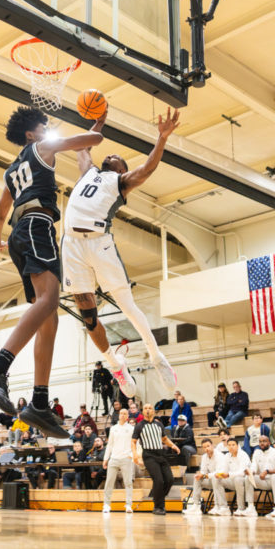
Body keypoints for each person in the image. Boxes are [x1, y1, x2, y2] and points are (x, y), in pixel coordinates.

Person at [0, 107, 110, 439]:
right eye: (43, 126)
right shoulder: (42, 148)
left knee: (50, 316)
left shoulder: (12, 171)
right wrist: (97, 127)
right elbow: (94, 140)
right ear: (32, 135)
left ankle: (40, 402)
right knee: (49, 301)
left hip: (21, 231)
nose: (48, 130)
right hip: (38, 225)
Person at [61, 109, 181, 398]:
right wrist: (99, 122)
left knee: (126, 305)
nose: (111, 154)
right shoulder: (89, 171)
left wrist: (161, 138)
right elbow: (83, 145)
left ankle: (156, 355)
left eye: (117, 157)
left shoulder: (120, 182)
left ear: (121, 169)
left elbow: (148, 169)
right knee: (87, 316)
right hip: (72, 245)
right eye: (110, 153)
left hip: (99, 243)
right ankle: (115, 364)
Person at [132, 403, 179, 516]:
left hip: (161, 454)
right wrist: (135, 455)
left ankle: (157, 497)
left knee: (169, 479)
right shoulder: (139, 426)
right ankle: (158, 506)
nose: (148, 410)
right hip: (148, 455)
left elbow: (164, 439)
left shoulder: (159, 425)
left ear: (153, 411)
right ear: (143, 411)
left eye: (150, 408)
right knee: (158, 480)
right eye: (146, 408)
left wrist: (173, 446)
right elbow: (133, 442)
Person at [102, 409, 135, 513]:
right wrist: (106, 458)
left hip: (126, 458)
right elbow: (110, 444)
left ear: (128, 416)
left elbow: (135, 443)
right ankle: (106, 505)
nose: (122, 415)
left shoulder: (131, 428)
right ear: (119, 415)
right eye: (121, 413)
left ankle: (129, 505)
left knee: (128, 482)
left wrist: (131, 455)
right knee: (109, 482)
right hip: (114, 459)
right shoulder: (113, 428)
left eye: (125, 413)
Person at [185, 438, 230, 516]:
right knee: (197, 479)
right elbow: (203, 471)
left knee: (215, 478)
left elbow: (219, 473)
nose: (207, 449)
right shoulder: (204, 457)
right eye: (204, 447)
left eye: (208, 446)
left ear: (212, 446)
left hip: (224, 479)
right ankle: (196, 506)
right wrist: (200, 474)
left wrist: (205, 475)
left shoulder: (219, 456)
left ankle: (220, 506)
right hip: (212, 480)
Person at [250, 435, 275, 517]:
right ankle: (251, 507)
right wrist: (251, 472)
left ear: (269, 442)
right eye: (260, 441)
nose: (262, 443)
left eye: (264, 441)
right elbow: (254, 466)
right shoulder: (257, 452)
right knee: (248, 478)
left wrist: (267, 472)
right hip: (262, 480)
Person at [220, 437, 256, 516]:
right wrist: (221, 474)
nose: (231, 447)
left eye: (233, 445)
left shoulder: (243, 455)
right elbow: (224, 469)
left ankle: (241, 508)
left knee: (238, 479)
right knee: (218, 480)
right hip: (232, 479)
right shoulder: (227, 456)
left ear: (237, 446)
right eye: (229, 445)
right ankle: (223, 507)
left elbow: (242, 472)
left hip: (244, 480)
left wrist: (229, 474)